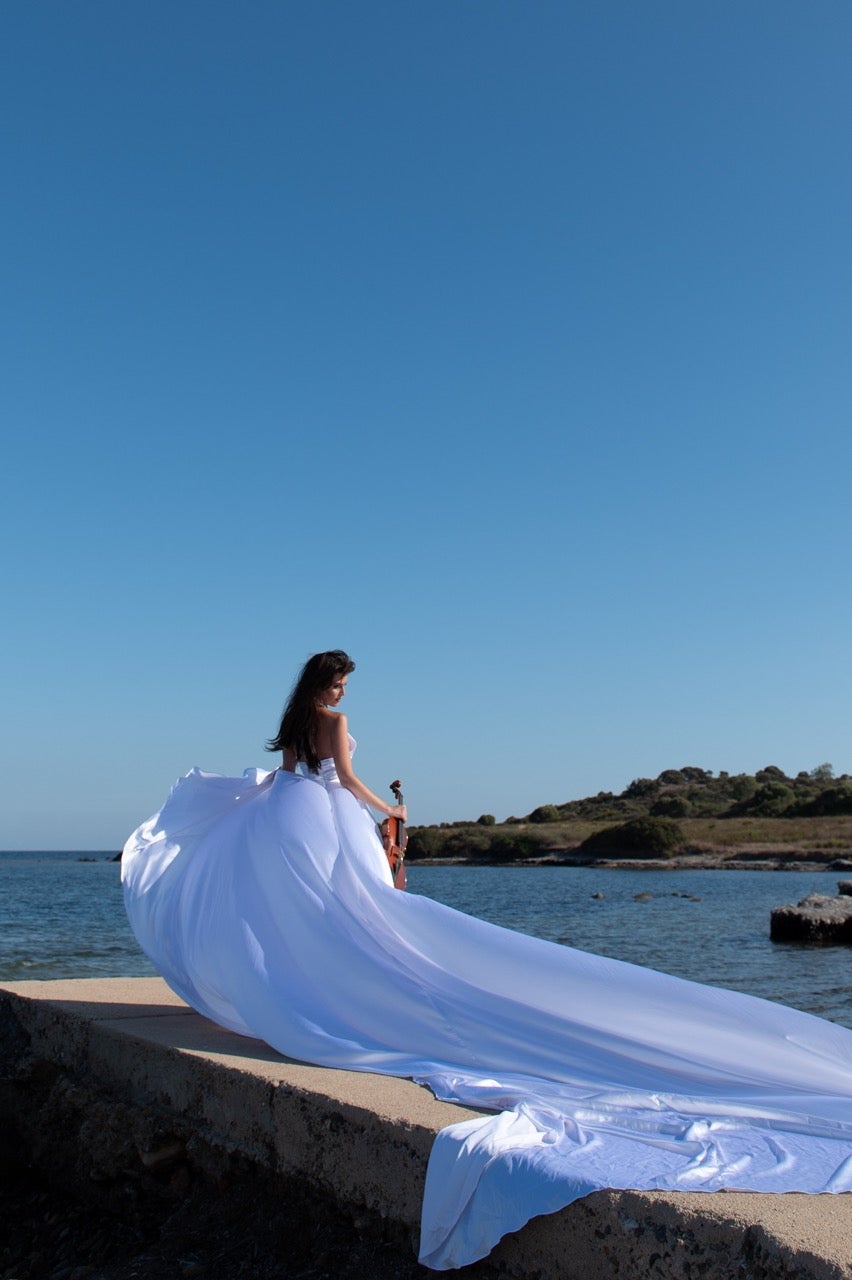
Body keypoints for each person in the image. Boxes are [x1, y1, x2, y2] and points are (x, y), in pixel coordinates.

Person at [122, 652, 852, 1271]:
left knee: (315, 920)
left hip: (290, 819)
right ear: (327, 683)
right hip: (328, 816)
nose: (343, 692)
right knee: (364, 918)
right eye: (339, 682)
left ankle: (316, 989)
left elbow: (292, 777)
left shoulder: (292, 725)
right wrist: (388, 812)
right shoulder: (334, 723)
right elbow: (344, 779)